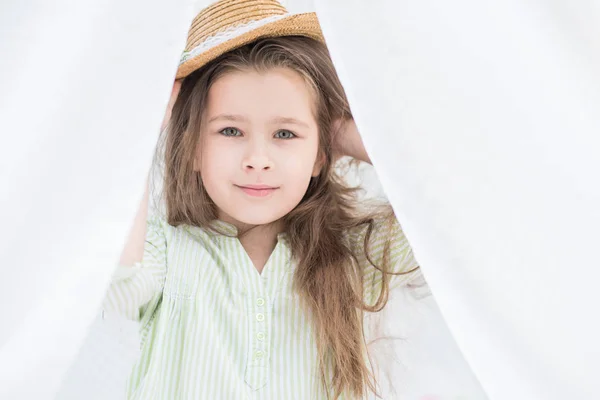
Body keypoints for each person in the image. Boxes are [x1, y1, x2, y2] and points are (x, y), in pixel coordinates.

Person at [103, 1, 423, 398]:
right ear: (192, 147)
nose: (257, 161)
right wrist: (142, 128)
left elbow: (458, 214)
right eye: (231, 131)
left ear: (321, 152)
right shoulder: (165, 253)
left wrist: (347, 138)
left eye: (285, 134)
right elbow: (116, 279)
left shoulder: (358, 255)